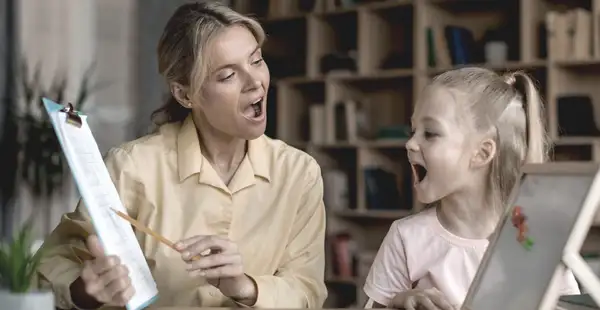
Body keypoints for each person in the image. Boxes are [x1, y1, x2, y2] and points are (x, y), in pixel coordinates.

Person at [36, 2, 327, 309]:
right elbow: (47, 269)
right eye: (228, 75)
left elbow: (307, 291)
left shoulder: (299, 173)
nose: (255, 81)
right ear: (186, 94)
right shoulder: (131, 167)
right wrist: (85, 290)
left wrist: (246, 287)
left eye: (256, 61)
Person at [362, 68, 581, 309]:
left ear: (482, 153)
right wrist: (398, 303)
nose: (410, 143)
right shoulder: (406, 237)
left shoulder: (533, 237)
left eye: (431, 133)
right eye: (413, 131)